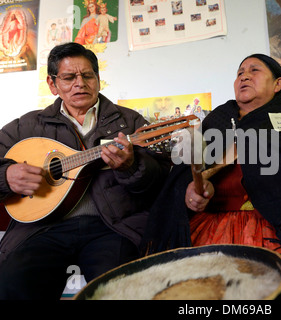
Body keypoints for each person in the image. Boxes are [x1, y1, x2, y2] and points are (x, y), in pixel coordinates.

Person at [142, 53, 281, 299]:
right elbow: (187, 174)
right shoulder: (217, 120)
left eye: (254, 70)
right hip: (209, 227)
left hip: (276, 225)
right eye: (240, 73)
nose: (244, 76)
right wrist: (191, 192)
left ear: (277, 84)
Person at [0, 42, 169, 299]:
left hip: (113, 227)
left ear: (98, 80)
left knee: (119, 290)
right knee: (13, 284)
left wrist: (131, 167)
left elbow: (161, 178)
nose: (80, 83)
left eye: (88, 75)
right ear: (52, 84)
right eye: (69, 77)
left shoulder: (130, 122)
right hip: (42, 228)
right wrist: (6, 177)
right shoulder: (27, 125)